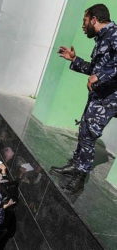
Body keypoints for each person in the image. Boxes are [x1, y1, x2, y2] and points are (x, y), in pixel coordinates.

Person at [50, 4, 117, 193]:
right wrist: (74, 60)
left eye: (85, 20)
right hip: (99, 96)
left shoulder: (114, 34)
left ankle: (80, 176)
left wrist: (100, 77)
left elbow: (101, 74)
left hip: (110, 98)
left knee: (89, 133)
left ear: (94, 19)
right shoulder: (102, 38)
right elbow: (95, 71)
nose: (83, 25)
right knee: (84, 129)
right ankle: (76, 165)